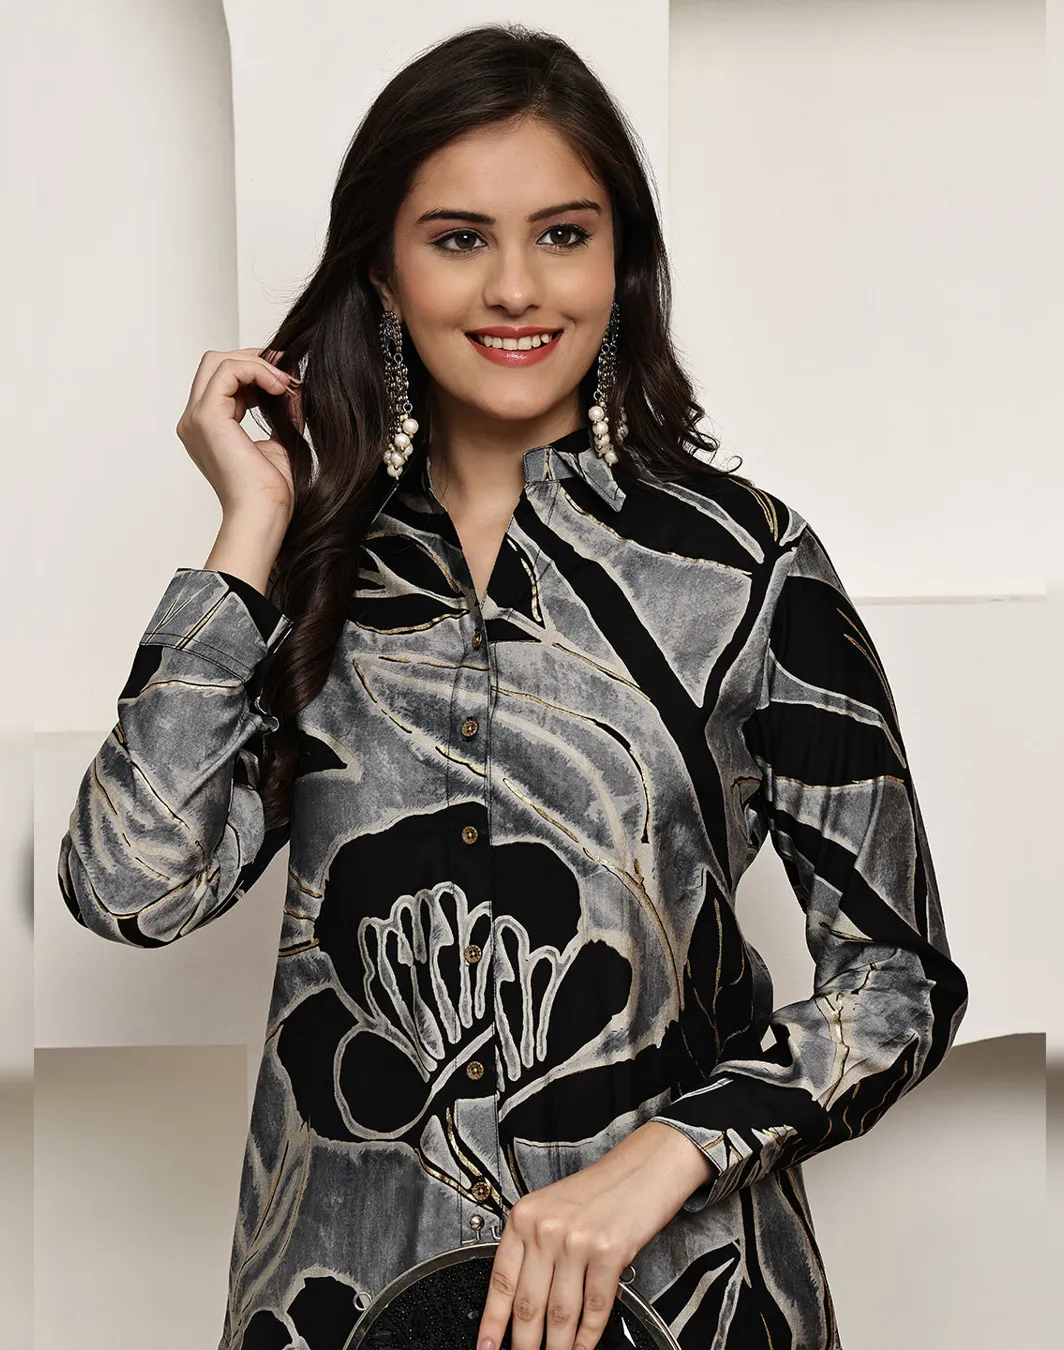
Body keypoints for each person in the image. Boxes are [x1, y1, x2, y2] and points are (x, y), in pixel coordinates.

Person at [56, 22, 968, 1350]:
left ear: (620, 261)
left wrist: (671, 1149)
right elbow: (128, 886)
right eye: (459, 238)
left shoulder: (747, 569)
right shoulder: (309, 571)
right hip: (349, 1297)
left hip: (681, 1295)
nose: (516, 287)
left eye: (563, 234)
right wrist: (250, 524)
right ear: (384, 267)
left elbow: (898, 983)